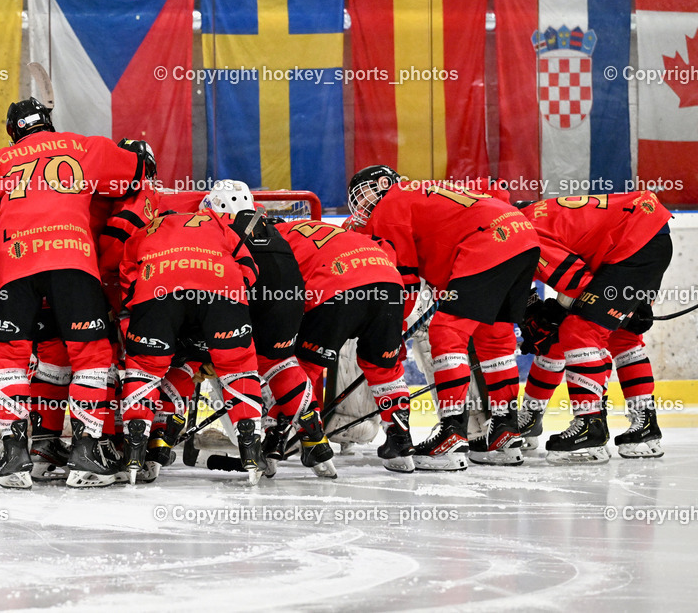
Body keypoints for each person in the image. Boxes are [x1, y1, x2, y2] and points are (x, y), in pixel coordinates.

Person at [0, 97, 145, 489]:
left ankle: (12, 452)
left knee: (9, 354)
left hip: (15, 262)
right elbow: (139, 172)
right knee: (90, 353)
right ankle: (88, 450)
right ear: (49, 123)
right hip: (71, 258)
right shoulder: (83, 145)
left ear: (13, 132)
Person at [347, 166, 540, 470]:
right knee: (495, 338)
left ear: (384, 184)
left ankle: (452, 434)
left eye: (364, 193)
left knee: (445, 332)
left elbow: (406, 283)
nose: (360, 204)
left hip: (486, 242)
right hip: (521, 234)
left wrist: (389, 332)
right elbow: (496, 191)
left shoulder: (389, 205)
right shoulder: (423, 191)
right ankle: (505, 432)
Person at [516, 191, 672, 463]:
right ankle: (645, 427)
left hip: (634, 244)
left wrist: (550, 315)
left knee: (578, 330)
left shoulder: (523, 237)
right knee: (621, 334)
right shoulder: (527, 219)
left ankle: (591, 425)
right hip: (641, 236)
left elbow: (577, 281)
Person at [199, 180, 336, 479]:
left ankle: (250, 446)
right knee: (281, 362)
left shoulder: (221, 228)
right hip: (289, 296)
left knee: (231, 365)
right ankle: (315, 438)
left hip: (251, 293)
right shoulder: (272, 226)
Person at [119, 208, 267, 485]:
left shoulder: (147, 228)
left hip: (158, 288)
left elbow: (127, 275)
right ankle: (251, 449)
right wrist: (233, 294)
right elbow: (249, 267)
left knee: (144, 368)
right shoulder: (217, 222)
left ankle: (134, 449)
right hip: (221, 287)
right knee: (237, 366)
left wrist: (140, 311)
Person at [275, 217, 412, 473]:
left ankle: (281, 439)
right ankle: (400, 441)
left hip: (338, 285)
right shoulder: (335, 230)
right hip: (390, 284)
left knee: (302, 368)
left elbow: (281, 297)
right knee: (384, 369)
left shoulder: (273, 239)